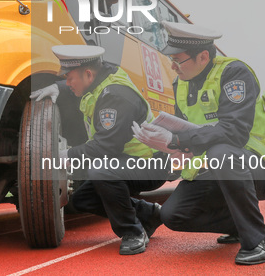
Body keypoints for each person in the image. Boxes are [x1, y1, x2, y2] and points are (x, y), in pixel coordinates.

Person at [132, 21, 265, 265]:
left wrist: (179, 141)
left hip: (263, 165)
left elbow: (234, 132)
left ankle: (259, 240)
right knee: (173, 215)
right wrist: (170, 151)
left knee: (222, 152)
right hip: (216, 166)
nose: (172, 67)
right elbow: (181, 132)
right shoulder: (180, 85)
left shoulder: (234, 73)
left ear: (203, 56)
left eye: (178, 60)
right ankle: (239, 225)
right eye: (170, 60)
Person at [30, 45, 167, 255]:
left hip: (150, 163)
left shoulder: (116, 97)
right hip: (129, 159)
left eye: (69, 78)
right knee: (82, 199)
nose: (68, 82)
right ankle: (148, 214)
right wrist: (59, 87)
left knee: (101, 170)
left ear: (87, 74)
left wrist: (64, 157)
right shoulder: (100, 80)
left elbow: (105, 147)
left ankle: (132, 232)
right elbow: (84, 84)